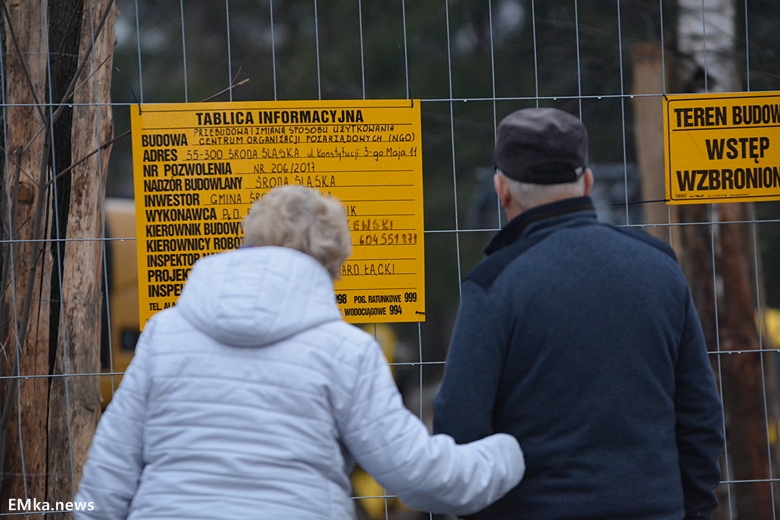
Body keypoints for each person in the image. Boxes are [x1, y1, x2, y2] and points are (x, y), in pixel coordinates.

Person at [75, 186, 524, 520]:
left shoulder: (164, 333)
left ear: (247, 241)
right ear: (331, 263)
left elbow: (105, 481)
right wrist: (509, 453)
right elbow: (418, 476)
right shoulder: (347, 351)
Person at [433, 108, 724, 519]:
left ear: (502, 190)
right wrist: (693, 510)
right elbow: (700, 416)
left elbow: (458, 432)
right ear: (586, 181)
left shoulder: (494, 286)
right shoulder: (659, 265)